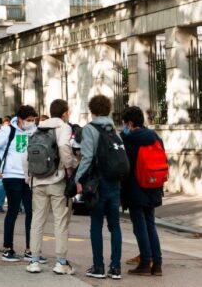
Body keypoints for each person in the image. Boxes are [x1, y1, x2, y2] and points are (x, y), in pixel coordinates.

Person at [26, 99, 77, 275]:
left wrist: (29, 178)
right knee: (60, 222)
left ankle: (34, 261)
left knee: (37, 221)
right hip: (57, 181)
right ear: (64, 113)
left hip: (37, 180)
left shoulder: (37, 128)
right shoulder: (64, 127)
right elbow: (64, 147)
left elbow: (27, 156)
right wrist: (69, 167)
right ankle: (61, 262)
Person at [75, 95, 122, 280]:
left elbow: (87, 157)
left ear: (92, 110)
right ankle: (116, 268)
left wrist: (78, 178)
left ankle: (98, 267)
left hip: (97, 183)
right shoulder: (113, 129)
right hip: (115, 182)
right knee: (115, 226)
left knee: (96, 225)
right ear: (109, 109)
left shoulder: (89, 129)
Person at [0, 105, 37, 262]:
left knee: (31, 213)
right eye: (28, 120)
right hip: (12, 176)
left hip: (29, 177)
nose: (31, 123)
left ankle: (30, 249)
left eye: (33, 120)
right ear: (20, 119)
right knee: (13, 210)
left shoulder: (33, 130)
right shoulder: (8, 131)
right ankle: (8, 248)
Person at [121, 106, 163, 276]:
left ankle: (145, 263)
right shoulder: (155, 137)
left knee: (140, 227)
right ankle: (157, 264)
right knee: (150, 224)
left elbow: (124, 168)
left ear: (130, 123)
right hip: (153, 186)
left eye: (125, 123)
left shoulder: (127, 140)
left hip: (135, 188)